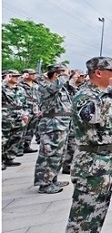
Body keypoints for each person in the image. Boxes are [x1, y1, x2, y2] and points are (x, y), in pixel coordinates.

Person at [61, 57, 112, 233]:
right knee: (83, 215)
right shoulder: (85, 95)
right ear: (98, 72)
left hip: (105, 159)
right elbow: (92, 118)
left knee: (97, 211)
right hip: (92, 162)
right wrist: (109, 93)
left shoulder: (98, 94)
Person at [34, 64, 72, 194]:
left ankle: (53, 179)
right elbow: (53, 88)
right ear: (56, 74)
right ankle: (44, 184)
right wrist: (64, 76)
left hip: (61, 124)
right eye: (63, 73)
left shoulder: (60, 88)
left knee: (58, 155)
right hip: (51, 124)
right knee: (48, 155)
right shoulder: (46, 86)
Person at [2, 70, 29, 170]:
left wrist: (25, 114)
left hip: (18, 117)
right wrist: (4, 81)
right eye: (14, 76)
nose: (17, 78)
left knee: (15, 138)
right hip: (5, 118)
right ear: (8, 76)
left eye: (18, 76)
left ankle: (9, 158)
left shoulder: (20, 89)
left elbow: (24, 103)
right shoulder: (3, 88)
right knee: (3, 139)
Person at [18, 69, 41, 154]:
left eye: (34, 74)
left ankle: (27, 146)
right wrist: (22, 77)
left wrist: (39, 108)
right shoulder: (20, 83)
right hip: (25, 108)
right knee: (22, 128)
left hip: (35, 108)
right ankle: (19, 148)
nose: (34, 75)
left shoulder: (36, 84)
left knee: (32, 129)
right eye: (31, 74)